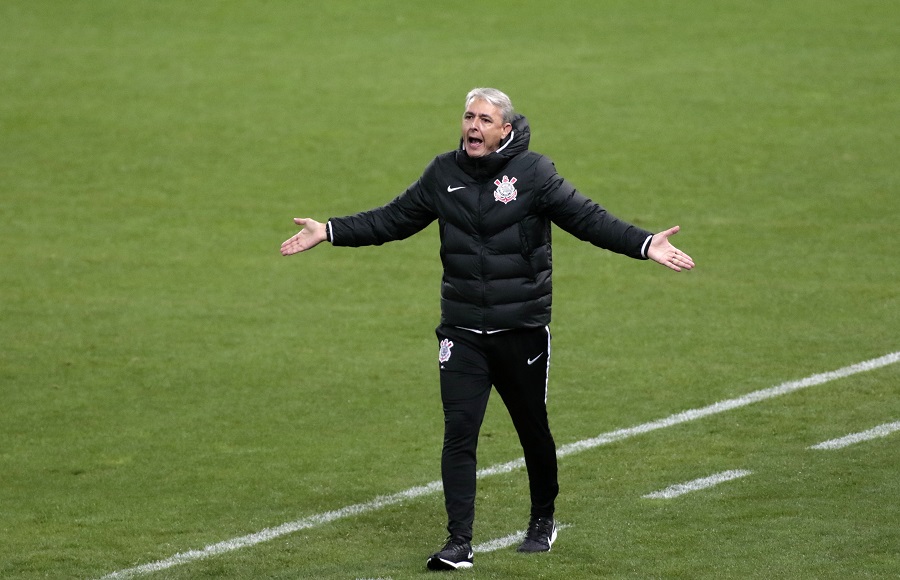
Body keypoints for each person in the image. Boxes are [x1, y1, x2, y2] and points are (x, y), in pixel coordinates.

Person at [280, 88, 694, 571]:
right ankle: (459, 542)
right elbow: (392, 219)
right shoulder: (443, 174)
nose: (473, 126)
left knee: (531, 429)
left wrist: (645, 244)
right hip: (461, 331)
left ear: (507, 129)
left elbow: (587, 219)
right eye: (468, 117)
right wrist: (327, 230)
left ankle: (543, 520)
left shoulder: (535, 174)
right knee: (459, 433)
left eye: (484, 119)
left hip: (519, 328)